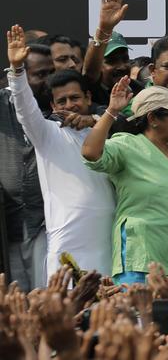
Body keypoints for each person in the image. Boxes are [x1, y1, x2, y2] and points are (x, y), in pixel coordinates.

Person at [82, 80, 168, 298]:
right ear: (153, 118)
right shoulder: (127, 145)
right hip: (140, 265)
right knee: (141, 328)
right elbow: (90, 152)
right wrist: (111, 111)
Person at [7, 26, 115, 279]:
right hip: (68, 242)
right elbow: (24, 108)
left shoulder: (104, 131)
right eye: (62, 101)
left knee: (109, 313)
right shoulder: (46, 134)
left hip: (109, 239)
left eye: (75, 98)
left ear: (88, 97)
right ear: (53, 105)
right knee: (68, 313)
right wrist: (18, 71)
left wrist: (96, 119)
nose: (69, 105)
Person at [0, 43, 53, 291]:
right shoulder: (2, 104)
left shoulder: (58, 107)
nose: (48, 81)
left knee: (44, 298)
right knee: (15, 301)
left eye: (51, 72)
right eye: (40, 74)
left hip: (44, 223)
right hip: (8, 225)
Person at [83, 0, 139, 107]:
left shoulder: (138, 90)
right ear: (99, 64)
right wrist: (105, 29)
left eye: (125, 59)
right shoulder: (90, 91)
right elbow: (89, 73)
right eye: (111, 61)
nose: (122, 66)